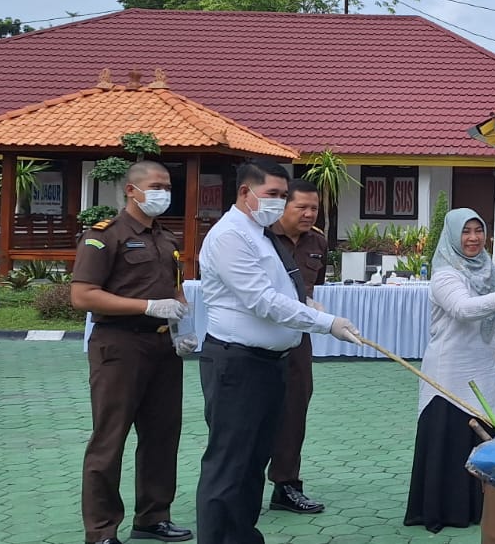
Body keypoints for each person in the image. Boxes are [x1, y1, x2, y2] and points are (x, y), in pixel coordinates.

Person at [196, 161, 362, 544]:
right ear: (244, 192)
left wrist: (307, 304)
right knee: (229, 464)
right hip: (237, 362)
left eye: (282, 196)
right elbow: (260, 300)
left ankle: (241, 536)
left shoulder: (260, 234)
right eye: (271, 195)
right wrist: (325, 323)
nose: (279, 203)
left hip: (270, 363)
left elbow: (282, 289)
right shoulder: (230, 236)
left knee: (253, 463)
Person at [71, 161, 195, 544]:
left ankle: (153, 516)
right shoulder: (104, 236)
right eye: (156, 186)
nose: (164, 193)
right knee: (110, 439)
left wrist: (182, 327)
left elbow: (175, 291)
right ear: (131, 190)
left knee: (162, 435)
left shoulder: (167, 238)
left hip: (162, 346)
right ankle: (102, 530)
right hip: (119, 344)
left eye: (168, 186)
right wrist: (146, 307)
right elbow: (83, 295)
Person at [405, 208, 495, 533]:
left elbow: (491, 292)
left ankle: (482, 507)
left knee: (485, 437)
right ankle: (447, 510)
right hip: (452, 375)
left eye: (478, 231)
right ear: (452, 236)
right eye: (465, 232)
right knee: (453, 440)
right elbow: (463, 308)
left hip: (486, 366)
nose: (473, 238)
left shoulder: (484, 267)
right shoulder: (445, 274)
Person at [263, 179, 329, 515]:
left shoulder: (317, 241)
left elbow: (312, 288)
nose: (308, 213)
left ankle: (286, 485)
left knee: (293, 412)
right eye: (300, 207)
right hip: (256, 340)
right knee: (251, 414)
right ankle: (240, 485)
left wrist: (310, 306)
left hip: (297, 339)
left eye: (313, 208)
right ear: (282, 206)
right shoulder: (259, 237)